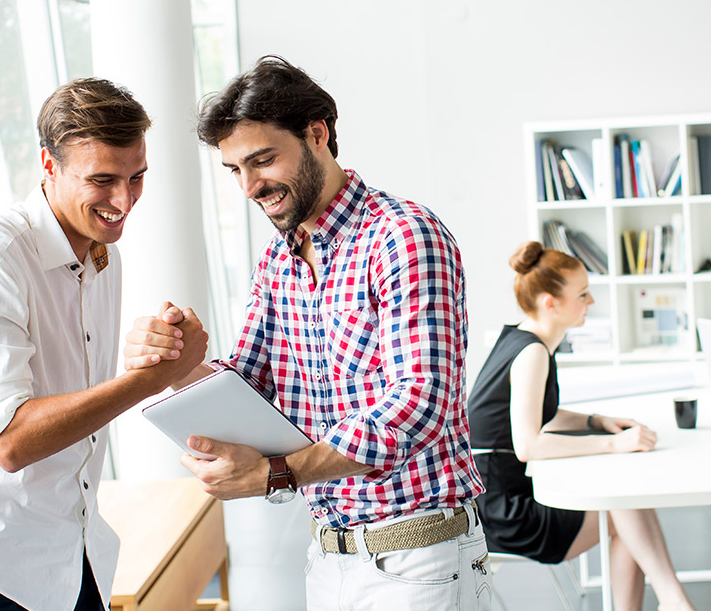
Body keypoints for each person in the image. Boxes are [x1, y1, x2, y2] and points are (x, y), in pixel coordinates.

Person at [124, 55, 489, 609]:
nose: (250, 186)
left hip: (420, 558)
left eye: (263, 160)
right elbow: (247, 386)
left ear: (317, 134)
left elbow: (419, 404)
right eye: (235, 170)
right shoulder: (279, 259)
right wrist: (175, 365)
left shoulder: (402, 236)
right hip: (328, 555)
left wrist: (279, 473)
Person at [0, 78, 209, 611]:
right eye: (102, 180)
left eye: (137, 177)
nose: (124, 200)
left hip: (73, 560)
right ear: (48, 164)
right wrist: (147, 380)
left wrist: (160, 354)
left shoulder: (104, 257)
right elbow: (10, 440)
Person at [467, 242, 696, 611]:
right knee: (624, 507)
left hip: (499, 499)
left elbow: (534, 413)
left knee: (625, 509)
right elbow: (528, 444)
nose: (591, 302)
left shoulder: (520, 338)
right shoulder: (532, 352)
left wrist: (595, 421)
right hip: (507, 514)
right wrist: (614, 444)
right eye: (583, 294)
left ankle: (673, 601)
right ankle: (674, 601)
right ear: (551, 303)